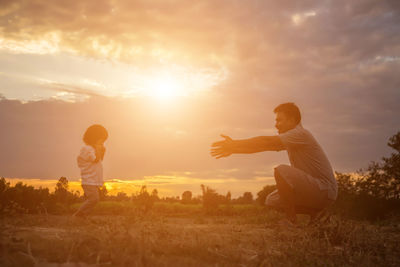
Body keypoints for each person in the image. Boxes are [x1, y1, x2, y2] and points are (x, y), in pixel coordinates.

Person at [210, 103, 337, 225]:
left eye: (279, 120)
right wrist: (233, 150)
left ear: (292, 120)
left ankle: (291, 220)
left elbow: (266, 141)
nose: (276, 125)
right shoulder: (293, 138)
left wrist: (235, 143)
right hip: (315, 190)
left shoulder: (300, 134)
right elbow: (261, 147)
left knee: (281, 170)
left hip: (324, 189)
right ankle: (317, 215)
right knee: (272, 201)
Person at [73, 124, 108, 217]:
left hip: (93, 181)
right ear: (94, 139)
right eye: (101, 141)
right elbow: (95, 159)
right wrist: (97, 149)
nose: (102, 144)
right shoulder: (87, 149)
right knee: (94, 199)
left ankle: (83, 216)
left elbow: (100, 160)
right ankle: (78, 215)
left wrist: (102, 151)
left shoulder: (92, 149)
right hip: (89, 180)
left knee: (93, 200)